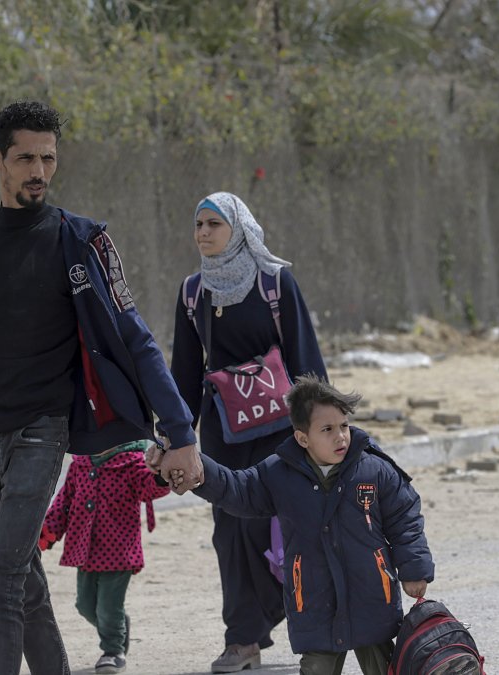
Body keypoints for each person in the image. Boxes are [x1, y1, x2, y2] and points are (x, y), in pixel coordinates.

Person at [0, 101, 203, 675]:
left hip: (40, 432)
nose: (38, 170)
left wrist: (180, 431)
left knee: (0, 578)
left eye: (49, 158)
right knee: (21, 579)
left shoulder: (82, 241)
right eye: (25, 158)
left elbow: (136, 339)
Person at [167, 191, 328, 673]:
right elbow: (183, 372)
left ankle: (300, 622)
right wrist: (177, 437)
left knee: (282, 525)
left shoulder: (275, 282)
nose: (203, 233)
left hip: (280, 431)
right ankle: (242, 638)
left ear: (237, 228)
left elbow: (306, 361)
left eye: (214, 224)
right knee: (230, 531)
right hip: (222, 432)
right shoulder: (193, 292)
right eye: (198, 224)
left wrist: (322, 431)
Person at [189, 375, 434, 675]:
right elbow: (238, 489)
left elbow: (405, 515)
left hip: (372, 598)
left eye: (343, 425)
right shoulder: (279, 474)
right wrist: (197, 469)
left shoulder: (373, 468)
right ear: (302, 438)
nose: (341, 436)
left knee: (387, 670)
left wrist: (414, 568)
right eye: (327, 429)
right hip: (316, 606)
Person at [38, 440, 169, 673]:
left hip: (119, 552)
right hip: (85, 550)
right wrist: (45, 535)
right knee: (85, 605)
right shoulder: (80, 463)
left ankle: (113, 651)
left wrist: (159, 474)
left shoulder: (132, 463)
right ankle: (117, 628)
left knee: (108, 608)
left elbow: (151, 488)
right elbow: (63, 504)